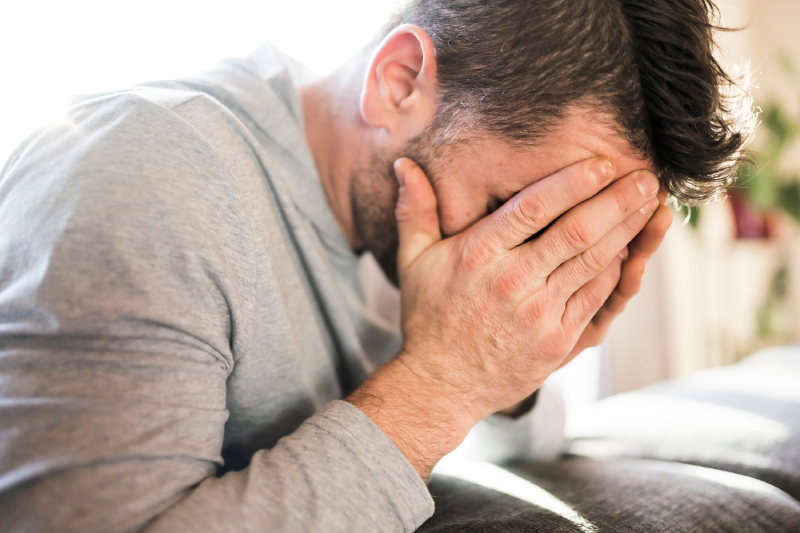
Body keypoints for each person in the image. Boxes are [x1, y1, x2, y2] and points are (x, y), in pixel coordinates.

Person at [0, 0, 752, 531]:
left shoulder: (397, 217)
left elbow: (515, 445)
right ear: (399, 83)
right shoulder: (146, 176)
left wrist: (519, 369)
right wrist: (443, 381)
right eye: (516, 206)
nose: (519, 259)